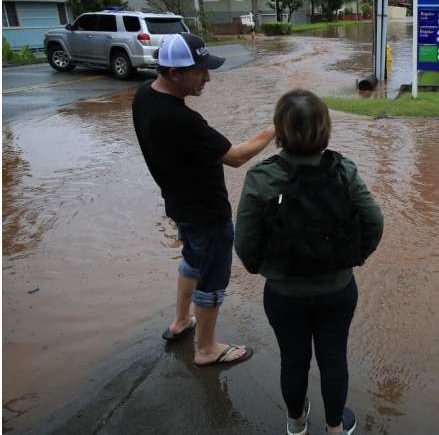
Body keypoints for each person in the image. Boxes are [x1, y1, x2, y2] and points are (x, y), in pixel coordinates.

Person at [235, 89, 383, 435]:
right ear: (325, 127)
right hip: (338, 289)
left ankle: (297, 422)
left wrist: (264, 269)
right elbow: (374, 221)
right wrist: (355, 257)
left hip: (283, 293)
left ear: (280, 130)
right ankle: (334, 427)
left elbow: (244, 240)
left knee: (293, 359)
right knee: (333, 359)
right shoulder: (344, 170)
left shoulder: (262, 177)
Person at [132, 32, 275, 367]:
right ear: (174, 73)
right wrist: (274, 130)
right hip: (207, 213)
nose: (208, 77)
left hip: (179, 206)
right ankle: (206, 348)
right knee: (212, 277)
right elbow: (237, 156)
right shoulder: (182, 120)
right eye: (200, 71)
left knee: (192, 261)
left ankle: (181, 321)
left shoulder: (143, 98)